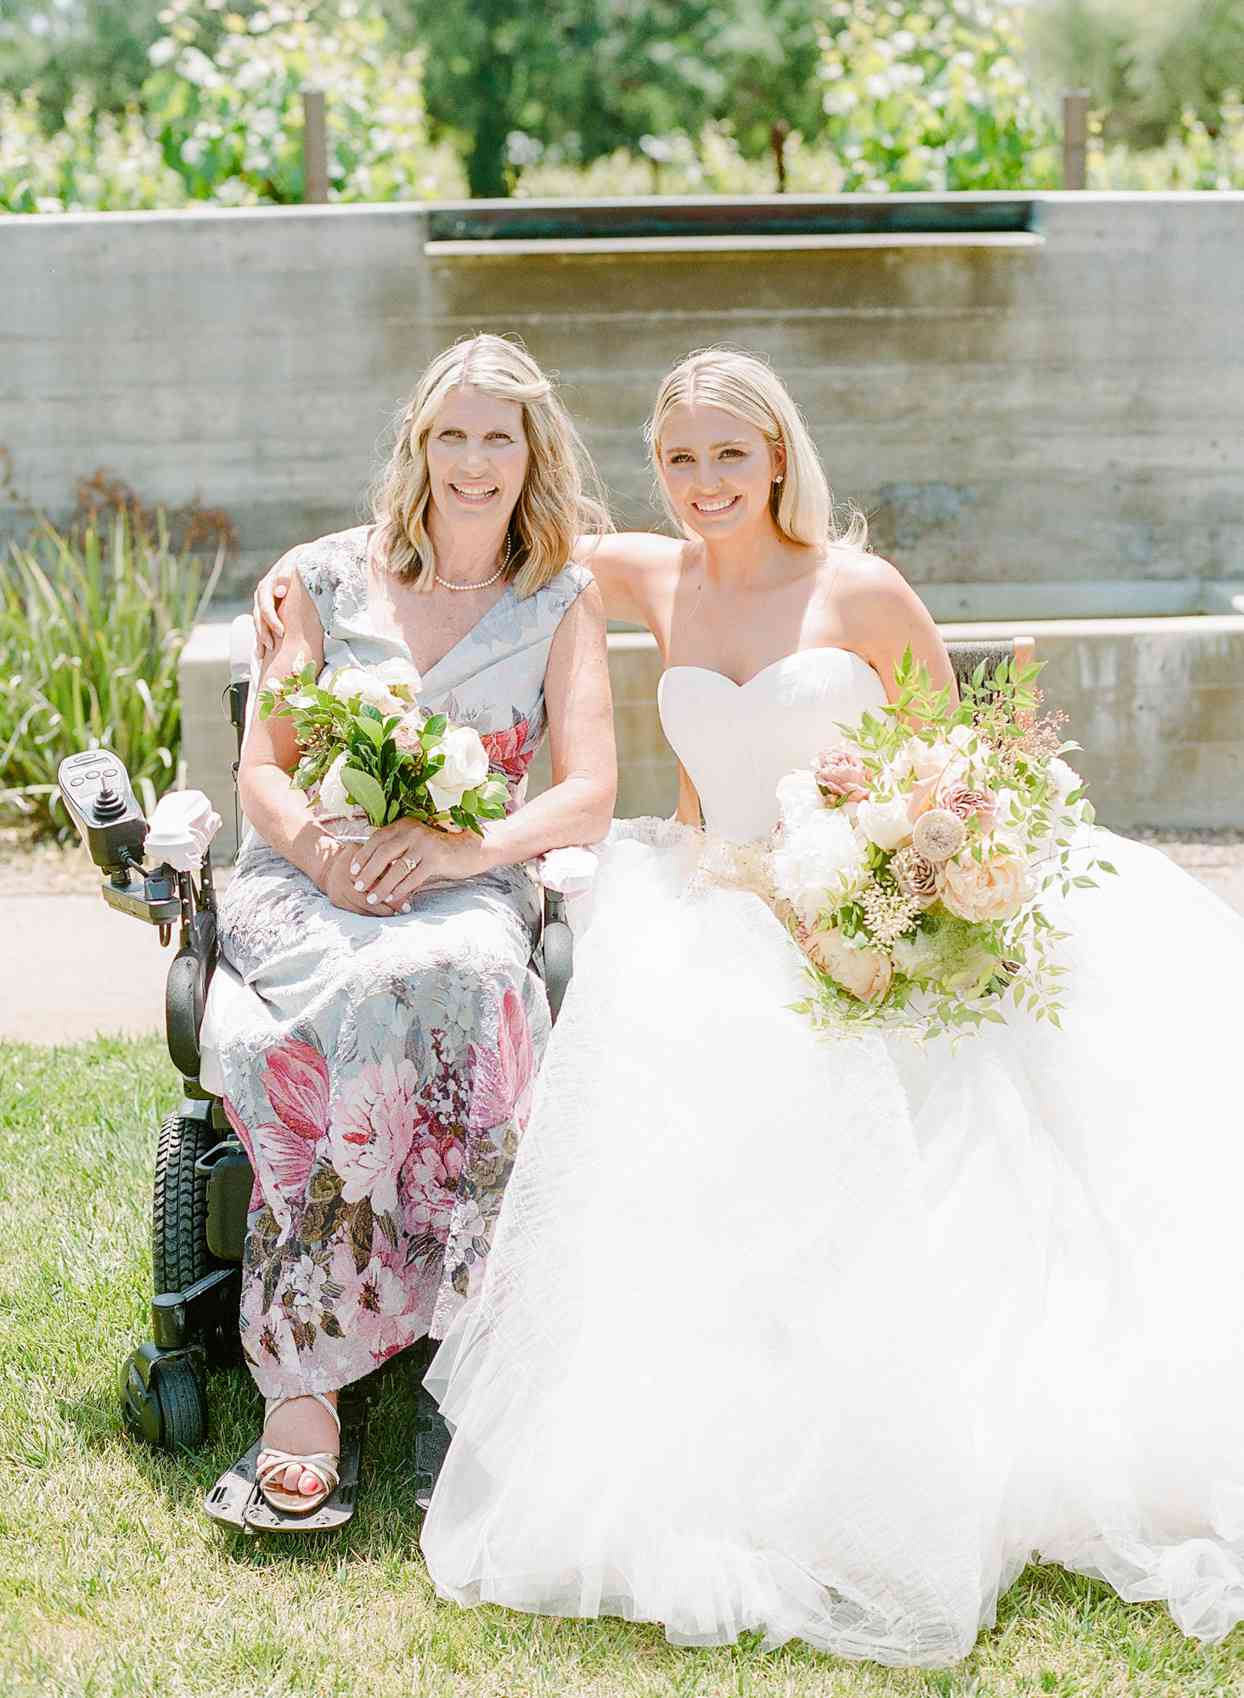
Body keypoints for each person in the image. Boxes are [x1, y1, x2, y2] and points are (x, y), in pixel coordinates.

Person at [252, 348, 1244, 1659]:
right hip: (706, 885)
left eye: (731, 454)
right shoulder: (647, 569)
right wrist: (297, 574)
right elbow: (470, 520)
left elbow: (955, 769)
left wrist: (902, 866)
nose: (707, 481)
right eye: (682, 459)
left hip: (852, 898)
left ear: (780, 454)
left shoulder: (865, 588)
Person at [216, 334, 615, 1521]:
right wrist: (328, 855)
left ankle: (467, 1358)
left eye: (500, 435)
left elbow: (583, 789)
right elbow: (263, 770)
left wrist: (461, 851)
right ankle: (304, 1380)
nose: (475, 460)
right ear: (419, 445)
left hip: (467, 876)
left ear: (532, 452)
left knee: (460, 966)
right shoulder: (324, 581)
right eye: (454, 434)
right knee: (371, 983)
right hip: (309, 875)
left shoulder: (559, 600)